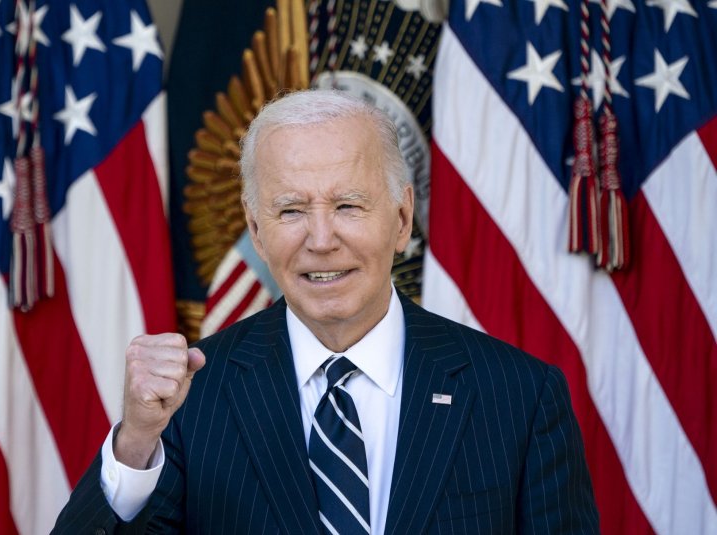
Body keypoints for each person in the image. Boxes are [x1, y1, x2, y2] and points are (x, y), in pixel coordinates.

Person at [53, 89, 599, 534]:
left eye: (347, 206)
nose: (320, 239)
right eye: (291, 209)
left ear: (402, 218)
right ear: (257, 231)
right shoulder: (189, 403)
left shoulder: (520, 399)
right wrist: (135, 442)